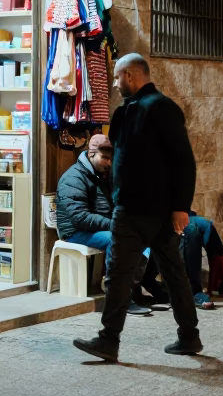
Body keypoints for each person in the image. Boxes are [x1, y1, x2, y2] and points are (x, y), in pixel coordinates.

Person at [73, 53, 203, 361]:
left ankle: (108, 340)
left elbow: (183, 161)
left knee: (119, 273)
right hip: (144, 207)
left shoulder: (160, 108)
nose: (116, 84)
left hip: (138, 210)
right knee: (172, 273)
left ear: (131, 75)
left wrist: (181, 206)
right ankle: (189, 337)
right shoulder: (129, 110)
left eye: (118, 78)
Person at [55, 133, 157, 316]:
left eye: (111, 158)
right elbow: (80, 218)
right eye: (105, 158)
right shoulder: (73, 178)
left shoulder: (103, 175)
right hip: (75, 231)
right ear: (91, 154)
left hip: (101, 226)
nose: (109, 163)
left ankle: (133, 289)